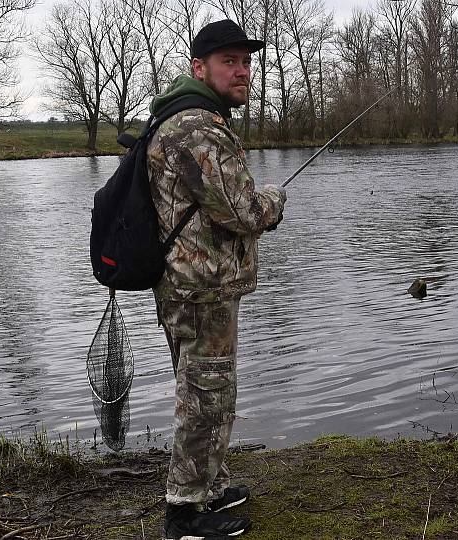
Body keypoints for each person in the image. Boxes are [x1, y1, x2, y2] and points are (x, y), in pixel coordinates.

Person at [146, 19, 287, 539]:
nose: (243, 70)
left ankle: (207, 486)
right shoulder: (198, 128)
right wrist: (275, 202)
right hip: (197, 288)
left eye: (246, 61)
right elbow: (244, 212)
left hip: (192, 283)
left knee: (210, 390)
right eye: (230, 61)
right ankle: (183, 514)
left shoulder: (187, 117)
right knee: (205, 395)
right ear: (199, 68)